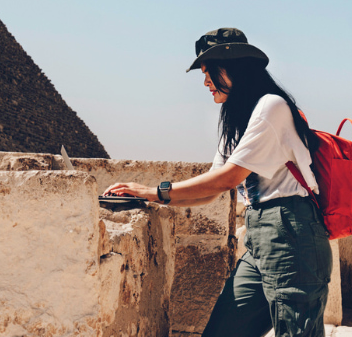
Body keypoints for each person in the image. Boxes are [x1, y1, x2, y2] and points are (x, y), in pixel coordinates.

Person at [102, 28, 331, 336]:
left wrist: (154, 190)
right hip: (261, 241)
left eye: (209, 71)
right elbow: (210, 189)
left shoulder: (271, 107)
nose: (205, 81)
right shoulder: (236, 118)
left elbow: (228, 179)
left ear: (235, 67)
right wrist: (149, 198)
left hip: (293, 235)